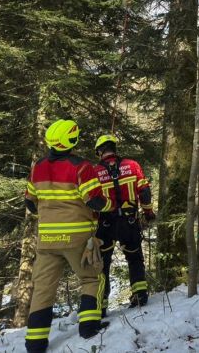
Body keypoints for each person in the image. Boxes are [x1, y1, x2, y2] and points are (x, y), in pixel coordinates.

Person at [24, 120, 110, 353]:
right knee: (92, 279)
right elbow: (95, 201)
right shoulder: (81, 166)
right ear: (72, 140)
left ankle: (34, 343)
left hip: (46, 240)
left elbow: (30, 202)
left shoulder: (38, 166)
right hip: (77, 237)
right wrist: (109, 202)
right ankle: (89, 328)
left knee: (42, 288)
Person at [94, 134, 155, 312]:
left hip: (105, 224)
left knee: (103, 264)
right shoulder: (132, 165)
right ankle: (140, 295)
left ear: (99, 151)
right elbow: (144, 191)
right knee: (135, 257)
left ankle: (101, 306)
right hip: (129, 221)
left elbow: (90, 199)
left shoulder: (95, 171)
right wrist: (148, 212)